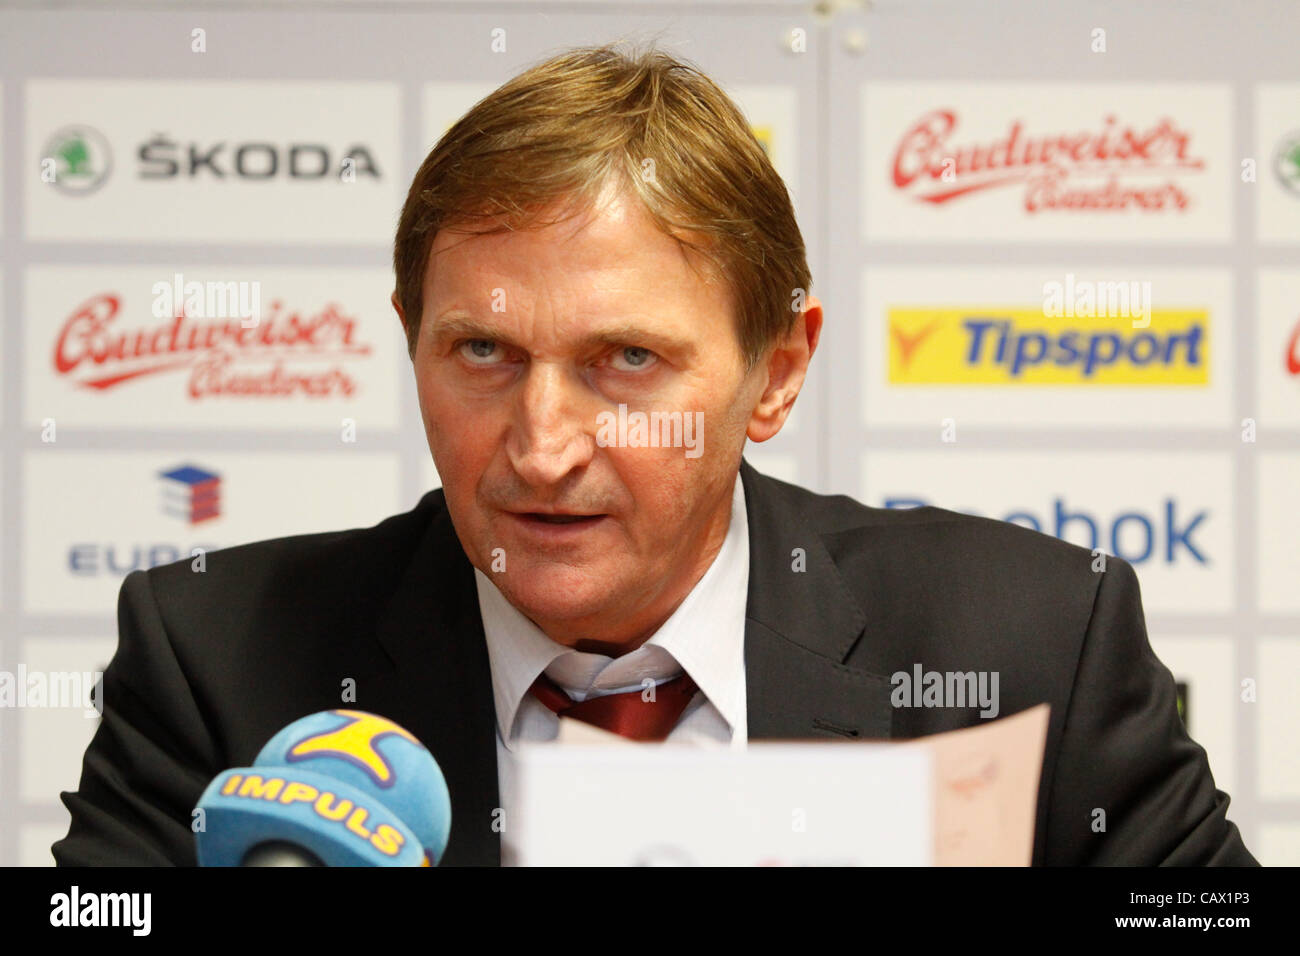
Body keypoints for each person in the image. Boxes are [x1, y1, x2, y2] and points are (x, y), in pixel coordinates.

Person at [52, 44, 1255, 866]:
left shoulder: (1026, 640)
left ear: (776, 370)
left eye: (626, 358)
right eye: (481, 350)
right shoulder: (217, 656)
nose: (541, 445)